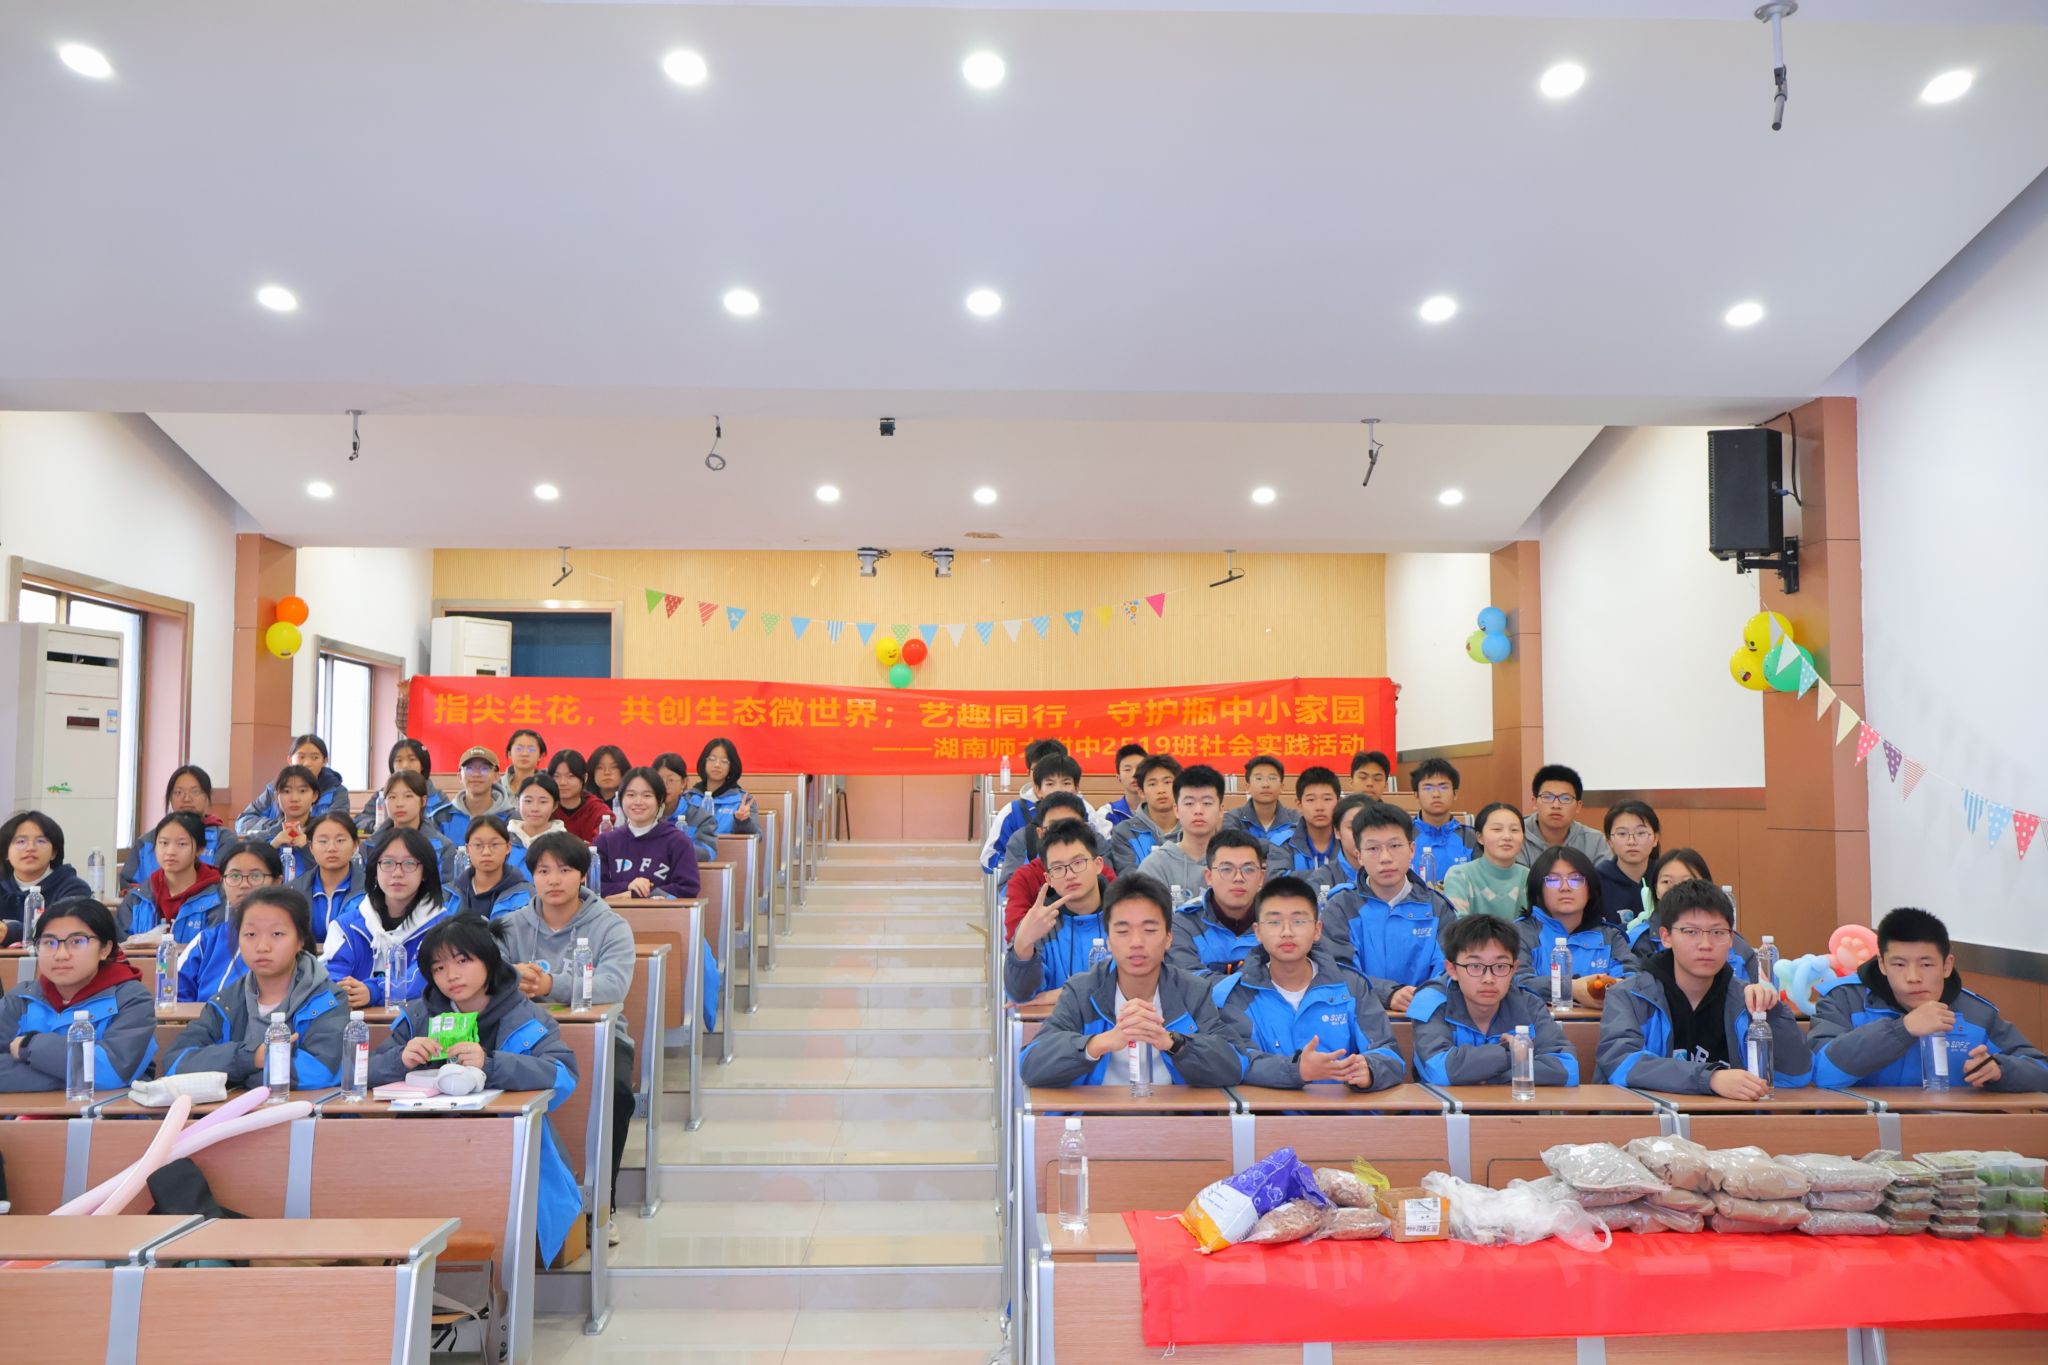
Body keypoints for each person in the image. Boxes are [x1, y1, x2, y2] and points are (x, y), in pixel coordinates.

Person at [370, 915, 583, 1265]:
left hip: (504, 1150)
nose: (451, 975)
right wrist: (400, 1059)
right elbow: (359, 1075)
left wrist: (492, 1065)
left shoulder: (525, 1016)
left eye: (462, 961)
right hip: (422, 1148)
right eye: (439, 967)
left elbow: (563, 1077)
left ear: (489, 960)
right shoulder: (418, 1016)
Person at [497, 829, 641, 1236]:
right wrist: (510, 979)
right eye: (543, 871)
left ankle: (602, 1205)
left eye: (564, 870)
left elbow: (613, 987)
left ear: (582, 875)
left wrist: (549, 985)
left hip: (600, 1036)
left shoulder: (611, 926)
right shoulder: (508, 927)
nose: (554, 880)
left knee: (616, 1092)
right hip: (522, 1036)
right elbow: (485, 980)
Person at [1017, 875, 1242, 1088]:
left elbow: (1233, 1065)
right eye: (1123, 931)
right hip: (1096, 1114)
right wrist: (1098, 1043)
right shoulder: (1082, 991)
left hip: (1174, 1114)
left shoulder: (1192, 991)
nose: (1136, 942)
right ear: (1109, 941)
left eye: (1149, 930)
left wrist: (1173, 1043)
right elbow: (1031, 1064)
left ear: (1168, 939)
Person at [1595, 881, 1810, 1096]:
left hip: (1734, 1116)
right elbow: (1621, 1063)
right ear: (1666, 937)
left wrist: (1772, 1013)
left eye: (1718, 932)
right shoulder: (1629, 996)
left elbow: (1797, 1075)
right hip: (1653, 1116)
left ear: (1731, 939)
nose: (1705, 944)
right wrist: (1710, 1078)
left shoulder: (1745, 1000)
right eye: (1691, 932)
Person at [1810, 907, 2048, 1092]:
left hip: (1953, 1133)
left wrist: (2000, 1070)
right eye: (1899, 964)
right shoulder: (1843, 1000)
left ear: (1947, 965)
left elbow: (2041, 1070)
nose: (1913, 977)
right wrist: (1902, 1029)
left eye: (1926, 964)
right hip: (1860, 1130)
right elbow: (1821, 1073)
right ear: (1882, 964)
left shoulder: (1976, 1013)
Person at [1211, 877, 1404, 1091]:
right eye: (1274, 922)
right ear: (1257, 932)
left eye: (1299, 921)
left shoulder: (1351, 985)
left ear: (1317, 930)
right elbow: (1237, 1062)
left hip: (1342, 1109)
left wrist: (1370, 1069)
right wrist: (1297, 1070)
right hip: (1269, 1111)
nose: (1287, 932)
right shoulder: (1237, 994)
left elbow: (1388, 1053)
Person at [160, 887, 347, 1089]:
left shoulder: (327, 999)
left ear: (300, 940)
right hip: (232, 1109)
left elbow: (323, 1070)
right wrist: (252, 1058)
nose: (262, 947)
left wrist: (237, 1075)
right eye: (250, 934)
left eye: (277, 934)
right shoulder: (226, 1002)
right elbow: (177, 1062)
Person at [0, 898, 155, 1092]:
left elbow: (111, 1073)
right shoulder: (22, 998)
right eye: (49, 942)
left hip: (104, 1111)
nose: (61, 955)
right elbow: (91, 1074)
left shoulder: (131, 999)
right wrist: (71, 1077)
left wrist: (29, 1045)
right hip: (22, 1111)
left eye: (77, 942)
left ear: (105, 949)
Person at [1317, 801, 1456, 1013]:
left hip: (1428, 1015)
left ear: (1412, 850)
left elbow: (1449, 967)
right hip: (1358, 1017)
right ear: (1359, 855)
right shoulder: (1341, 907)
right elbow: (1338, 969)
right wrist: (1388, 994)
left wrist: (1423, 997)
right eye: (1373, 848)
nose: (1385, 858)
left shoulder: (1437, 907)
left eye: (1395, 846)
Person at [1411, 915, 1577, 1087]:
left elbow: (1568, 1070)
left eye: (1500, 967)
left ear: (1514, 969)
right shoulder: (1431, 1001)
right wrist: (1512, 1054)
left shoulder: (1529, 1004)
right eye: (1475, 966)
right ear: (1452, 969)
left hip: (1511, 1104)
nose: (1488, 979)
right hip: (1442, 1104)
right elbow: (1440, 1071)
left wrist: (1488, 1077)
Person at [324, 827, 457, 1008]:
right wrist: (344, 991)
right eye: (388, 863)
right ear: (375, 870)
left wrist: (374, 991)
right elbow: (330, 973)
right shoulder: (346, 926)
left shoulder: (443, 928)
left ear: (425, 872)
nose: (397, 873)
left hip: (417, 1021)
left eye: (409, 863)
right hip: (351, 1020)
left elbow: (425, 976)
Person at [1512, 846, 1639, 1006]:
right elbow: (1517, 982)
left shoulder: (1610, 937)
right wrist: (1571, 988)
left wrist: (1605, 988)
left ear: (1590, 889)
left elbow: (1633, 980)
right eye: (1553, 880)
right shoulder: (1520, 933)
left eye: (1576, 879)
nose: (1565, 887)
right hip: (1539, 1021)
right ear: (1538, 889)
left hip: (1604, 1021)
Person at [1004, 822, 1110, 1001]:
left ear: (1098, 865)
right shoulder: (1040, 924)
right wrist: (1022, 945)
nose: (1070, 875)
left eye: (1078, 863)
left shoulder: (1125, 916)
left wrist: (1058, 995)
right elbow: (1021, 996)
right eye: (1058, 868)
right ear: (1048, 879)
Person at [176, 839, 285, 1003]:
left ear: (277, 882)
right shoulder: (206, 941)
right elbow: (174, 995)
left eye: (256, 876)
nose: (244, 885)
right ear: (223, 882)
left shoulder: (290, 941)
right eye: (234, 876)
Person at [1627, 849, 1759, 982]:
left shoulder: (1736, 944)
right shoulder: (1639, 941)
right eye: (1666, 882)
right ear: (1655, 889)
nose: (1676, 889)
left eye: (1687, 882)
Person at [1164, 830, 1268, 977]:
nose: (1238, 878)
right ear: (1209, 877)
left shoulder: (1279, 921)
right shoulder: (1184, 924)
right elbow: (1187, 981)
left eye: (1248, 869)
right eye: (1226, 869)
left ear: (1261, 877)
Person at [117, 812, 225, 943]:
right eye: (164, 843)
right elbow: (120, 945)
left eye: (182, 844)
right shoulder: (137, 898)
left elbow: (217, 947)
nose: (170, 852)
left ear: (200, 849)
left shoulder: (218, 897)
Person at [1000, 794, 1097, 938]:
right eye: (1053, 828)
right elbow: (1016, 940)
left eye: (1071, 827)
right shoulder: (1024, 878)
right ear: (1040, 833)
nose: (1063, 835)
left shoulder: (1098, 870)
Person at [598, 767, 702, 900]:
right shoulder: (605, 842)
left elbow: (688, 888)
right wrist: (628, 886)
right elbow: (594, 888)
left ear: (660, 800)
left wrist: (638, 894)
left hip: (663, 913)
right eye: (631, 795)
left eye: (647, 795)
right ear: (621, 799)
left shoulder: (678, 841)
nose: (638, 802)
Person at [120, 765, 226, 889]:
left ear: (208, 797)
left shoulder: (223, 839)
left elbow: (227, 884)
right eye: (178, 792)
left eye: (195, 792)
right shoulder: (146, 841)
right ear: (170, 798)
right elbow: (127, 887)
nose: (186, 798)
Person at [980, 739, 1077, 873]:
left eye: (1052, 771)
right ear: (1028, 773)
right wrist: (1024, 868)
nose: (1043, 776)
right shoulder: (1012, 812)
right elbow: (988, 859)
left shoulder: (1085, 811)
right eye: (1038, 770)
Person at [2, 810, 97, 946]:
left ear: (54, 852)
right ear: (6, 852)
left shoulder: (74, 888)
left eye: (41, 841)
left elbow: (64, 931)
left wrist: (10, 932)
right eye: (21, 841)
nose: (30, 848)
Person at [1136, 764, 1230, 897]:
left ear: (1221, 810)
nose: (1198, 811)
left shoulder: (1235, 863)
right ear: (1176, 810)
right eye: (1189, 803)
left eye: (1207, 803)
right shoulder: (1155, 865)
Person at [994, 758, 1085, 894]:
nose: (1058, 789)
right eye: (1050, 784)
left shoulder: (1094, 836)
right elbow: (1007, 889)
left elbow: (1107, 882)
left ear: (1076, 788)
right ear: (1038, 790)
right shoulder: (1023, 838)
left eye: (1066, 783)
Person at [234, 734, 346, 836]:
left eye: (315, 757)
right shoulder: (274, 789)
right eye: (301, 757)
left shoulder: (336, 791)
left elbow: (339, 825)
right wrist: (279, 827)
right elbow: (243, 822)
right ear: (290, 760)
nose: (307, 763)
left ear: (325, 761)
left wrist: (304, 828)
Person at [675, 737, 762, 861]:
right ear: (704, 762)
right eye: (712, 759)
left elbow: (756, 838)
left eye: (724, 761)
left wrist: (742, 822)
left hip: (728, 863)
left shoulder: (743, 800)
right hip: (689, 861)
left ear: (732, 766)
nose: (717, 764)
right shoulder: (688, 798)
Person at [1441, 803, 1529, 921]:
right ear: (1479, 837)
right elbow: (1459, 925)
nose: (1507, 837)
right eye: (1497, 829)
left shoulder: (1530, 877)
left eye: (1514, 830)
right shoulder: (1460, 876)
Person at [370, 771, 461, 883]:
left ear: (423, 801)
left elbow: (448, 889)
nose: (399, 804)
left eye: (408, 796)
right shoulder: (370, 845)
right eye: (392, 797)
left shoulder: (443, 847)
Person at [1516, 765, 1612, 868]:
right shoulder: (1516, 834)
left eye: (1565, 798)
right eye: (1547, 797)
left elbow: (1604, 877)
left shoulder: (1594, 841)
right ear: (1534, 802)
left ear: (1578, 806)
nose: (1556, 805)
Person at [295, 810, 366, 940]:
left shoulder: (370, 890)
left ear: (355, 845)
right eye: (323, 841)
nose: (331, 848)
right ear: (311, 847)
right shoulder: (294, 890)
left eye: (340, 840)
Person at [356, 739, 449, 836]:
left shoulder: (438, 798)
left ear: (422, 765)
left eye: (412, 759)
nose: (405, 765)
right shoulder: (382, 795)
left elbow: (448, 829)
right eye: (399, 760)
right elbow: (360, 820)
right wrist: (375, 826)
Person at [1106, 754, 1179, 876]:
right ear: (1141, 792)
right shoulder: (1124, 833)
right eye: (1152, 784)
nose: (1161, 790)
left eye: (1167, 782)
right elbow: (1130, 878)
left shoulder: (1194, 828)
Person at [235, 762, 321, 862]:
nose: (294, 798)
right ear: (276, 797)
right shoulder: (261, 838)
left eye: (302, 791)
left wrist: (306, 849)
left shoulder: (325, 836)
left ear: (314, 796)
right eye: (287, 791)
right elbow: (249, 868)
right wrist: (273, 847)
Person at [1408, 758, 1476, 884]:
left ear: (1455, 793)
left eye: (1443, 787)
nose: (1436, 794)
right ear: (1416, 794)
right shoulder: (1403, 836)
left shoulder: (1471, 838)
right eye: (1428, 788)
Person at [1595, 800, 1661, 930]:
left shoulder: (1666, 877)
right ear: (1609, 841)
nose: (1631, 841)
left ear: (1655, 838)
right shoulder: (1596, 881)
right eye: (1622, 834)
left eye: (1641, 833)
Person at [453, 815, 535, 919]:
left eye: (494, 844)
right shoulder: (450, 895)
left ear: (508, 847)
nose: (486, 852)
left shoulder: (527, 896)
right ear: (468, 849)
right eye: (478, 845)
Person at [437, 746, 514, 845]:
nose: (476, 774)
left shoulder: (511, 818)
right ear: (460, 776)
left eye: (484, 769)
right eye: (469, 769)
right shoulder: (440, 817)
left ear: (496, 776)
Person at [1223, 755, 1297, 850]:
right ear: (1248, 787)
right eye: (1258, 778)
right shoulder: (1233, 818)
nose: (1265, 784)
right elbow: (1233, 846)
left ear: (1282, 787)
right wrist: (1280, 843)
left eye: (1272, 778)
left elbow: (1298, 845)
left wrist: (1249, 844)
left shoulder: (1295, 819)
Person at [1285, 767, 1344, 875]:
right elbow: (1277, 879)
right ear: (1299, 805)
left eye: (1327, 799)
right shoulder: (1284, 843)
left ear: (1339, 803)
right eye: (1311, 800)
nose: (1319, 807)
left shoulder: (1350, 840)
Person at [549, 749, 613, 844]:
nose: (562, 782)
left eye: (570, 776)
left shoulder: (599, 812)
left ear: (585, 778)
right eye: (556, 776)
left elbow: (602, 847)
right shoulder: (546, 809)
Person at [1091, 744, 1149, 836]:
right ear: (1118, 777)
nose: (1134, 774)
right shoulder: (1107, 813)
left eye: (1139, 768)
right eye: (1127, 769)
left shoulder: (1160, 810)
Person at [511, 774, 568, 849]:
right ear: (518, 803)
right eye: (528, 801)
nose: (535, 808)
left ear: (555, 806)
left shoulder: (566, 843)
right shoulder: (503, 837)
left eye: (543, 802)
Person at [495, 727, 549, 802]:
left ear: (540, 756)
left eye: (531, 749)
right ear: (509, 754)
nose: (524, 754)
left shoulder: (548, 786)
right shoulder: (496, 786)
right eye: (519, 749)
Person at [587, 745, 632, 809]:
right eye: (600, 767)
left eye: (614, 767)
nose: (607, 772)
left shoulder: (632, 803)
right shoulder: (584, 803)